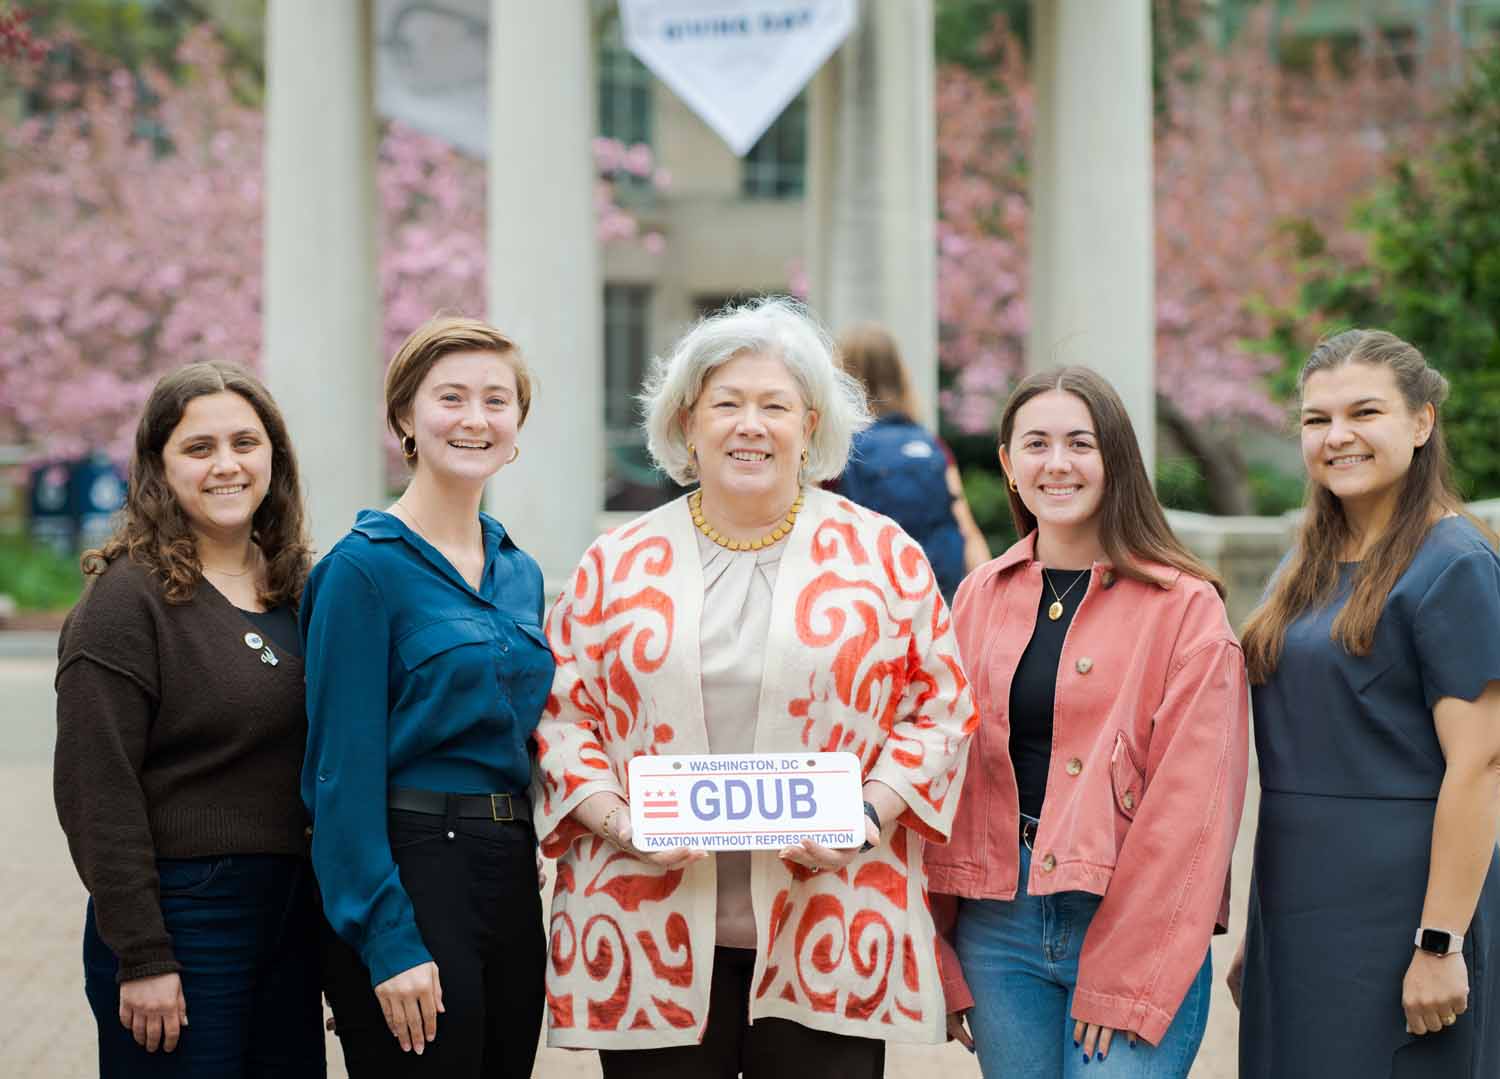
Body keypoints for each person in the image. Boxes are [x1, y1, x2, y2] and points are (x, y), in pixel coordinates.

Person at [530, 297, 978, 1078]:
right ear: (686, 423)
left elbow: (938, 707)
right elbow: (564, 716)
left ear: (810, 426)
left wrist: (867, 816)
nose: (750, 424)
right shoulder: (615, 563)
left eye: (775, 405)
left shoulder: (882, 557)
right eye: (726, 403)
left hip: (830, 918)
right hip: (647, 919)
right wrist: (619, 819)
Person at [927, 366, 1250, 1078]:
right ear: (1008, 465)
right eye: (1036, 444)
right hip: (997, 926)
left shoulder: (1186, 609)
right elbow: (942, 770)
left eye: (1081, 442)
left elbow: (1192, 815)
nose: (1058, 463)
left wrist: (1130, 972)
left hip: (1129, 915)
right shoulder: (980, 594)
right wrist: (939, 945)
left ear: (1117, 461)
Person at [1231, 330, 1500, 1078]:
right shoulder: (1301, 566)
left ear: (1422, 422)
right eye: (1317, 419)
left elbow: (1480, 766)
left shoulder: (1457, 567)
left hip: (1404, 910)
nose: (1337, 435)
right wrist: (1266, 928)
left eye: (1365, 412)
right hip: (1297, 905)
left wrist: (1439, 941)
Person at [301, 316, 554, 1077]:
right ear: (405, 418)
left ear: (516, 427)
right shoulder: (361, 570)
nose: (475, 418)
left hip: (509, 871)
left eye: (496, 400)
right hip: (410, 869)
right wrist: (387, 937)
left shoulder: (520, 571)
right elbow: (337, 774)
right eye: (451, 397)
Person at [54, 362, 323, 1077]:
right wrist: (142, 954)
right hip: (182, 916)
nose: (226, 464)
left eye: (245, 442)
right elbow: (95, 792)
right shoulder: (125, 603)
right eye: (199, 448)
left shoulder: (301, 588)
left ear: (275, 456)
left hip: (291, 915)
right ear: (158, 466)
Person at [836, 323, 990, 600]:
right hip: (937, 589)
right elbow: (967, 529)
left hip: (871, 591)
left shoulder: (838, 447)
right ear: (898, 375)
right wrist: (987, 597)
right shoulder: (929, 444)